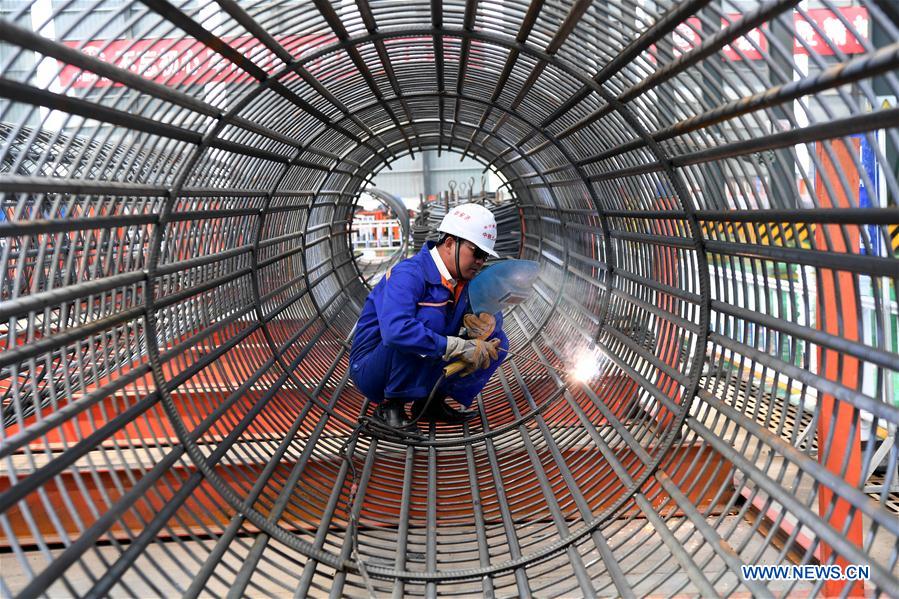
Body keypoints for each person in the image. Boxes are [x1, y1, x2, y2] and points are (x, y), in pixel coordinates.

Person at [349, 203, 509, 428]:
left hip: (420, 358)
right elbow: (395, 331)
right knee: (429, 321)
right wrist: (457, 346)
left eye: (485, 256)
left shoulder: (462, 280)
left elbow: (487, 308)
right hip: (373, 371)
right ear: (450, 243)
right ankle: (390, 407)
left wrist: (489, 323)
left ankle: (431, 401)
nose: (481, 261)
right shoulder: (409, 274)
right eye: (477, 253)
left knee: (497, 341)